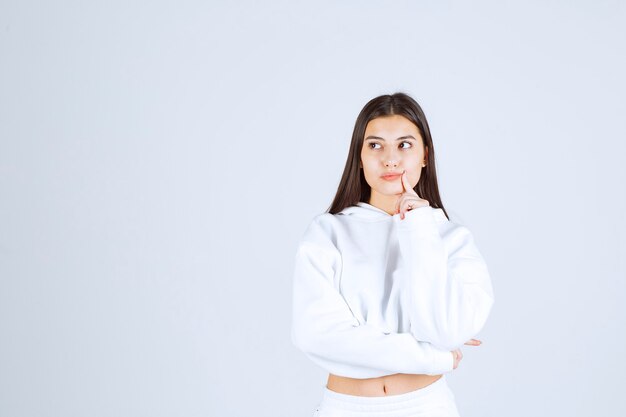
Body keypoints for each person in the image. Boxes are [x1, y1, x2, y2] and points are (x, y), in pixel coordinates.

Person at [290, 92, 495, 417]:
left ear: (425, 155)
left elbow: (447, 330)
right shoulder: (328, 234)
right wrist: (434, 357)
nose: (390, 159)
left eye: (404, 145)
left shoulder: (449, 237)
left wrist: (418, 226)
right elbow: (318, 336)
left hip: (427, 407)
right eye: (375, 145)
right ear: (358, 156)